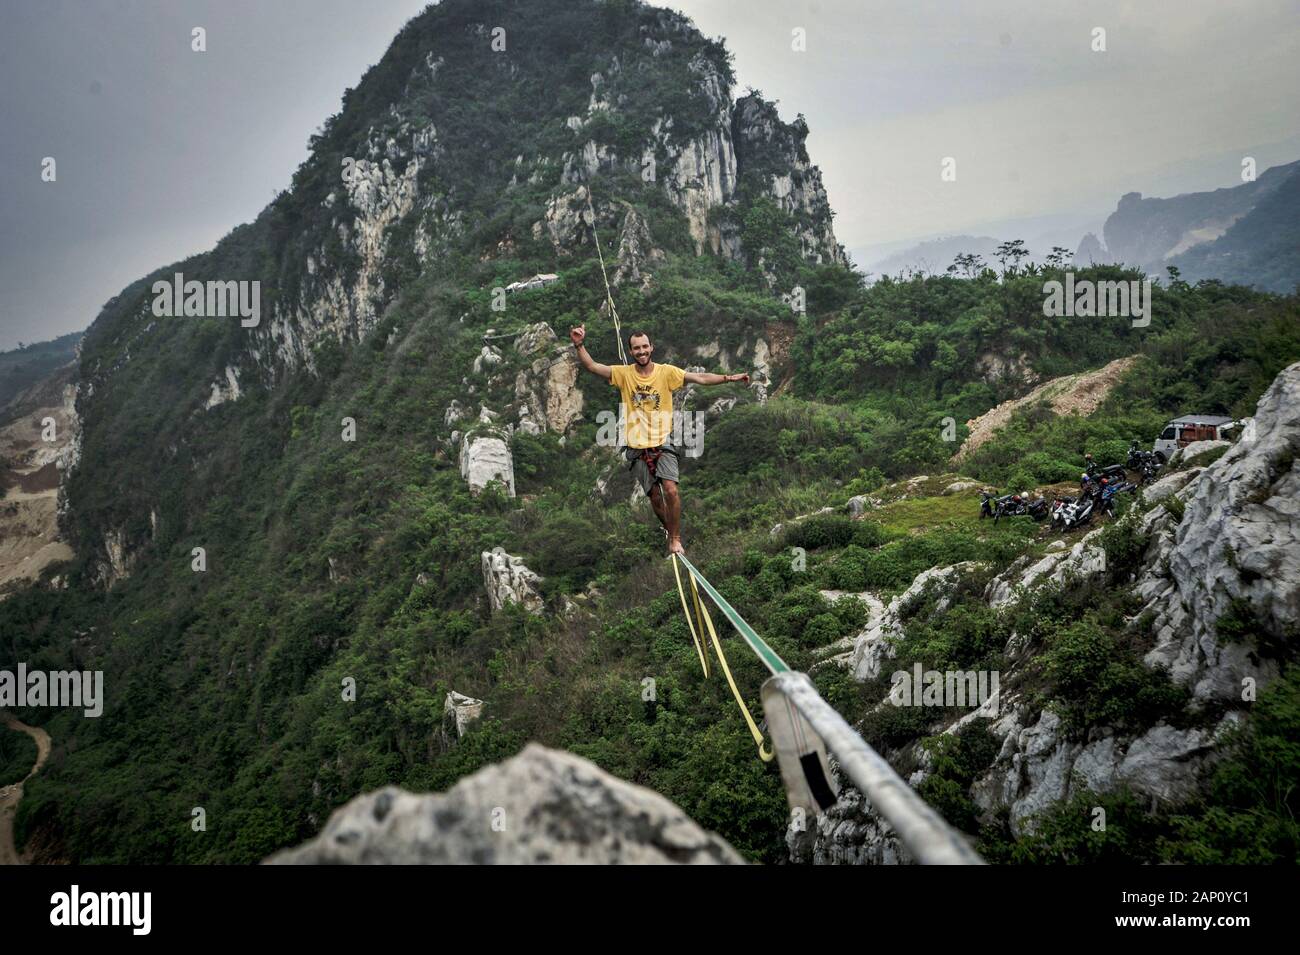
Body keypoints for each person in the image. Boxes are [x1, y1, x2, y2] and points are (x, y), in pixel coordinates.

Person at [570, 324, 749, 555]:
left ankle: (675, 538)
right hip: (636, 447)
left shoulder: (666, 372)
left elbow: (700, 378)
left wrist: (729, 378)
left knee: (671, 490)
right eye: (637, 348)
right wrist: (578, 344)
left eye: (645, 346)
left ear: (651, 347)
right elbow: (593, 366)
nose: (642, 351)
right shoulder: (624, 375)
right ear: (631, 351)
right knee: (655, 497)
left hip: (662, 441)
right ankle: (669, 528)